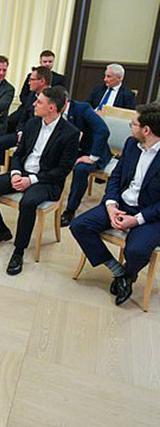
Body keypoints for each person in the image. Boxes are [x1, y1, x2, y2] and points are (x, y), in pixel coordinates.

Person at [0, 87, 79, 275]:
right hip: (21, 172)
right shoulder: (32, 123)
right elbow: (18, 153)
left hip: (47, 181)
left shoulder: (70, 133)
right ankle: (1, 229)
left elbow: (63, 170)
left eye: (39, 102)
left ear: (52, 108)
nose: (34, 104)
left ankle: (19, 251)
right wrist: (15, 173)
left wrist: (31, 180)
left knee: (28, 203)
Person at [70, 103, 160, 306]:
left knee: (136, 251)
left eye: (133, 124)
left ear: (146, 130)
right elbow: (116, 177)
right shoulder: (131, 144)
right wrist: (111, 205)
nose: (130, 127)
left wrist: (136, 220)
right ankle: (118, 271)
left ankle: (129, 275)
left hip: (150, 215)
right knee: (79, 226)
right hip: (121, 204)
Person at [60, 97, 112, 226]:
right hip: (73, 149)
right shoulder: (51, 112)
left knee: (81, 169)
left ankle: (70, 210)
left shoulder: (82, 108)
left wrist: (92, 157)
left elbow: (103, 130)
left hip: (93, 150)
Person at [0, 66, 51, 168]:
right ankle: (8, 168)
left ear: (42, 81)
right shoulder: (32, 95)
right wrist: (20, 131)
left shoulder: (51, 98)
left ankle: (15, 168)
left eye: (32, 80)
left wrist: (25, 134)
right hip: (24, 132)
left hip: (38, 137)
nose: (29, 83)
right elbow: (23, 115)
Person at [9, 50, 66, 132]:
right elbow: (23, 95)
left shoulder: (60, 79)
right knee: (10, 121)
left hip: (44, 109)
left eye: (50, 61)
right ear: (40, 62)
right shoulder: (31, 76)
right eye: (45, 61)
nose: (47, 64)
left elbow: (59, 98)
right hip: (27, 107)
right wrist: (30, 104)